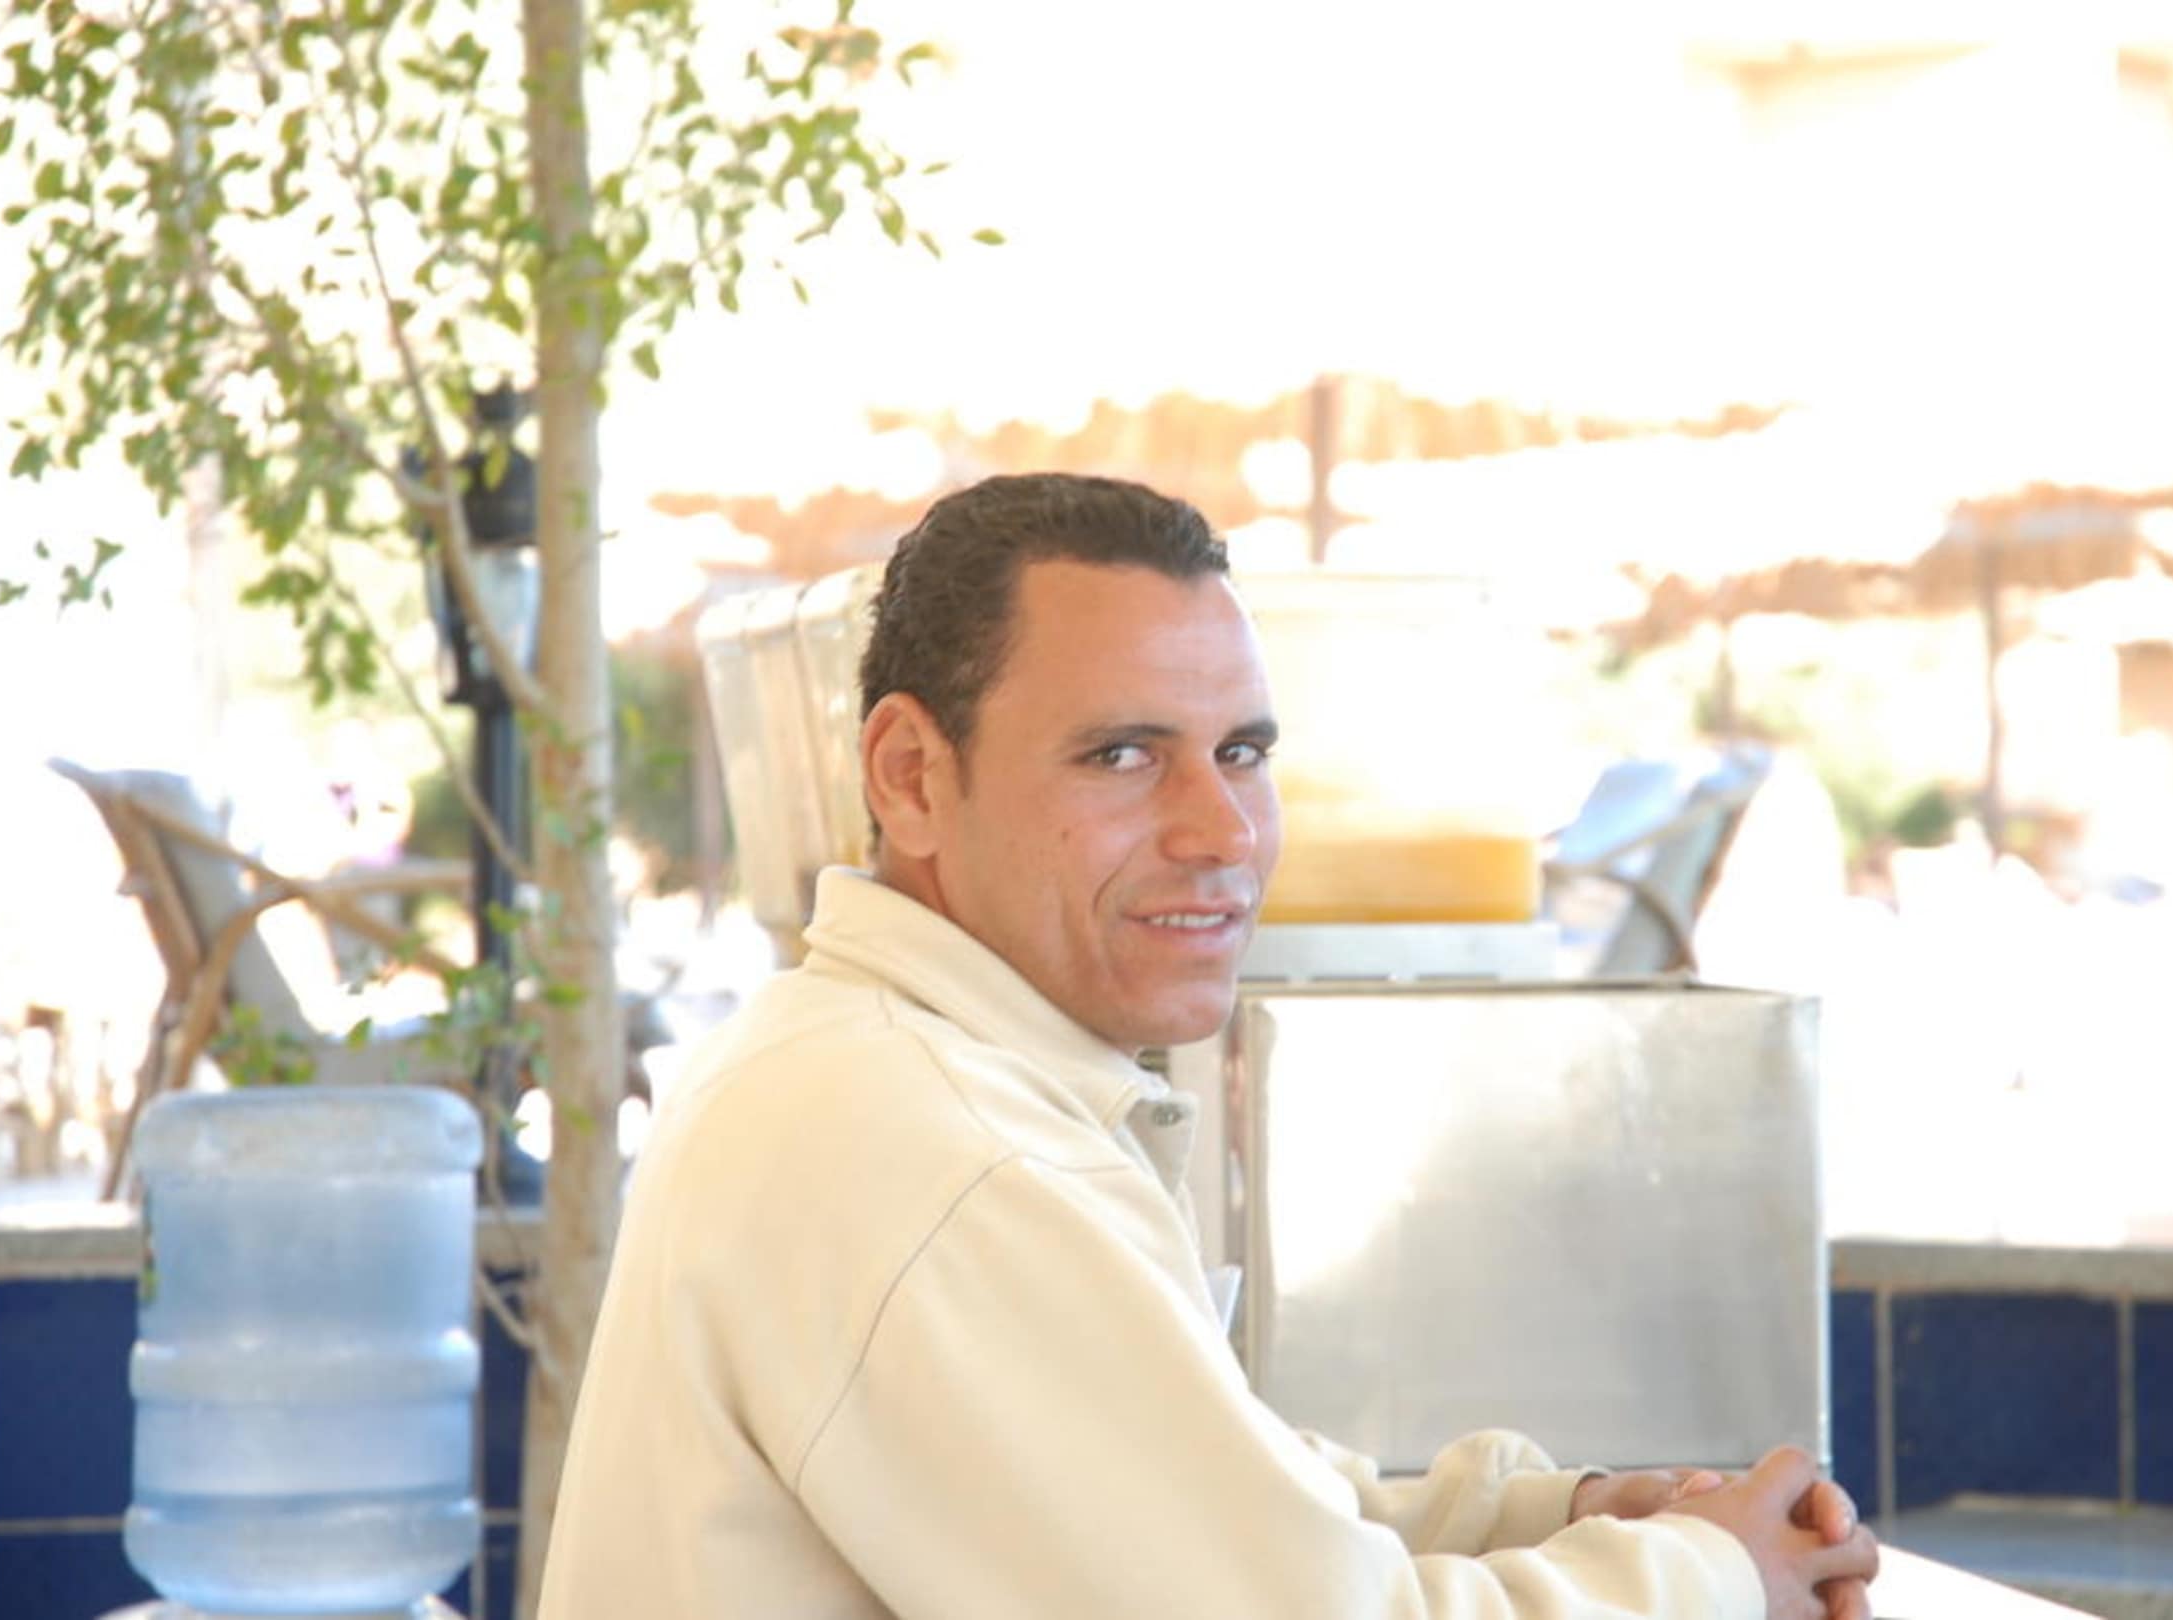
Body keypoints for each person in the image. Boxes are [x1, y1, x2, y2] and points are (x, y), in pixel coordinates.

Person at [541, 473, 1878, 1619]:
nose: (1221, 831)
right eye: (1122, 756)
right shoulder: (937, 1155)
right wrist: (1708, 1576)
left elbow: (1211, 1509)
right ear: (909, 775)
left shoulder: (872, 1067)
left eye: (1240, 751)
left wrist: (1549, 1515)